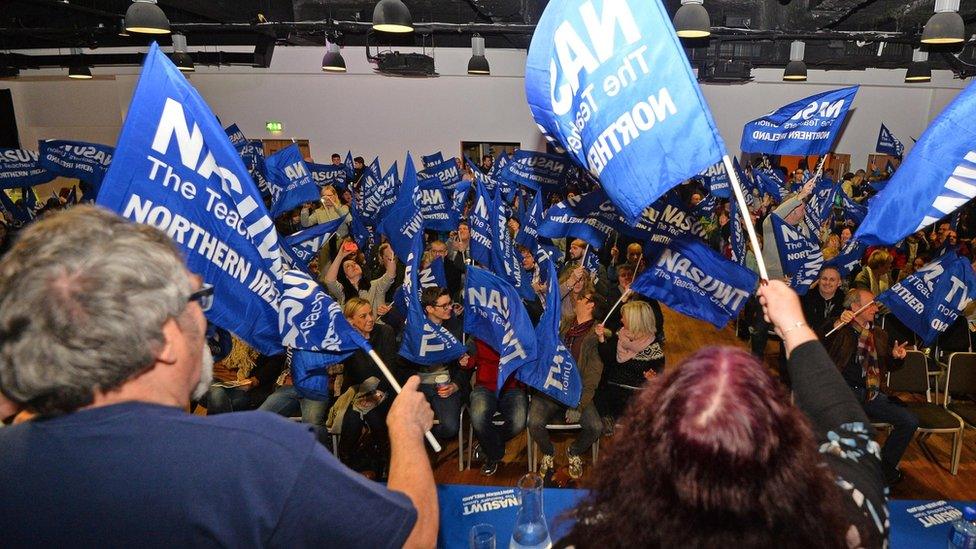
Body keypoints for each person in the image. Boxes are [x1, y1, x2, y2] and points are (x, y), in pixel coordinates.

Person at [0, 206, 438, 547]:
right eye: (198, 296)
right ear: (165, 338)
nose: (207, 315)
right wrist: (404, 430)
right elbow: (412, 539)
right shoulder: (256, 456)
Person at [561, 281, 887, 547]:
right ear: (782, 440)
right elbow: (846, 420)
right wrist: (792, 323)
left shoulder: (608, 534)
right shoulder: (846, 524)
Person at [821, 288, 918, 485]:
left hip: (872, 394)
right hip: (844, 393)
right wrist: (838, 323)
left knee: (909, 421)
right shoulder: (840, 329)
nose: (875, 308)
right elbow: (818, 341)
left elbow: (889, 365)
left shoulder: (879, 334)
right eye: (871, 304)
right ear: (855, 306)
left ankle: (883, 468)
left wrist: (896, 357)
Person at [528, 282, 605, 480]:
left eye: (582, 299)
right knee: (534, 422)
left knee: (595, 427)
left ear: (591, 306)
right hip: (550, 389)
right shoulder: (562, 325)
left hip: (575, 393)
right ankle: (549, 452)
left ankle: (574, 451)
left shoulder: (596, 338)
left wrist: (579, 405)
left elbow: (592, 377)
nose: (577, 299)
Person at [332, 297, 404, 477]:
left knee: (370, 412)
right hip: (357, 392)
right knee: (354, 417)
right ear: (350, 321)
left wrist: (379, 393)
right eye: (363, 316)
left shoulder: (385, 332)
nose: (370, 319)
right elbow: (360, 373)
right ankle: (350, 462)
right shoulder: (347, 342)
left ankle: (382, 461)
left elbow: (388, 369)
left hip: (386, 391)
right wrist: (356, 340)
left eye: (370, 313)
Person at [400, 286, 468, 440]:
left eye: (449, 303)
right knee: (408, 424)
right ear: (429, 308)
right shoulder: (414, 330)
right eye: (444, 306)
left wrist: (455, 385)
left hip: (446, 384)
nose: (449, 308)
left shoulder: (457, 328)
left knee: (450, 427)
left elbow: (465, 368)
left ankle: (431, 442)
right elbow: (401, 363)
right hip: (418, 384)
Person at [464, 337, 527, 476]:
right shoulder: (479, 330)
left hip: (512, 386)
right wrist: (464, 360)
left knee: (519, 421)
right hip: (485, 386)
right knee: (478, 418)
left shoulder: (517, 329)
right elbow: (468, 361)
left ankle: (489, 445)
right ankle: (494, 453)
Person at [593, 301, 664, 422]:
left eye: (624, 317)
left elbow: (660, 379)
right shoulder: (620, 334)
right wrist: (601, 338)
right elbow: (608, 359)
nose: (621, 320)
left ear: (635, 321)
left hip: (634, 397)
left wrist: (652, 379)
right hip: (611, 389)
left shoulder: (654, 349)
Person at [324, 239, 396, 317]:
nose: (353, 266)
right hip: (352, 328)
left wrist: (390, 255)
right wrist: (340, 256)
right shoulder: (342, 292)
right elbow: (329, 281)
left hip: (376, 326)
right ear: (346, 276)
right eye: (348, 266)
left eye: (354, 263)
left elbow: (390, 274)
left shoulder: (375, 285)